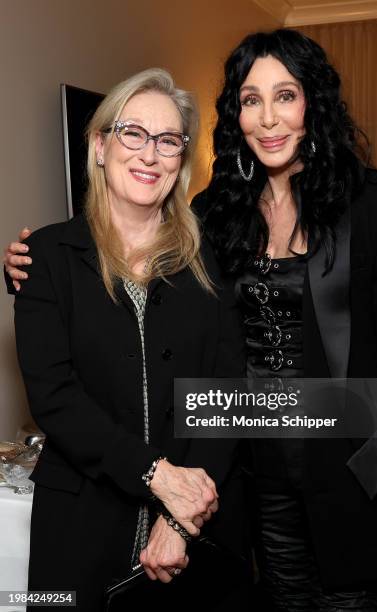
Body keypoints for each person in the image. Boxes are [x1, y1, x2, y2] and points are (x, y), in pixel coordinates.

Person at [5, 28, 377, 612]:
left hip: (350, 485)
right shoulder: (218, 217)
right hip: (253, 487)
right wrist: (28, 266)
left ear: (314, 103)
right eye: (251, 100)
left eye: (286, 96)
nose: (269, 119)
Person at [3, 68, 251, 611]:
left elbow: (227, 394)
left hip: (195, 539)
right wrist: (157, 477)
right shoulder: (44, 258)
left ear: (181, 160)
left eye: (168, 141)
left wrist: (180, 520)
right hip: (75, 531)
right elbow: (55, 397)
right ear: (99, 145)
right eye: (132, 133)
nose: (150, 154)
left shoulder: (209, 259)